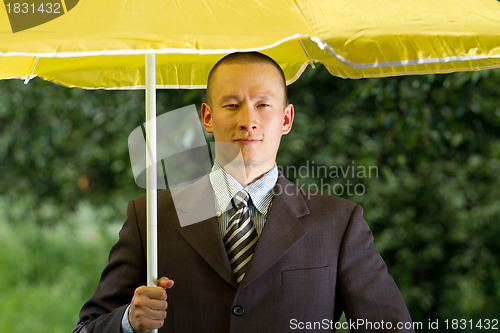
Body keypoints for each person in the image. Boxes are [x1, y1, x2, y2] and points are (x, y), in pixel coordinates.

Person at [74, 52, 414, 333]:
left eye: (263, 105)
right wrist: (128, 322)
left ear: (286, 118)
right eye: (232, 105)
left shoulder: (338, 222)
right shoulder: (150, 216)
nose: (248, 120)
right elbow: (86, 328)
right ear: (207, 116)